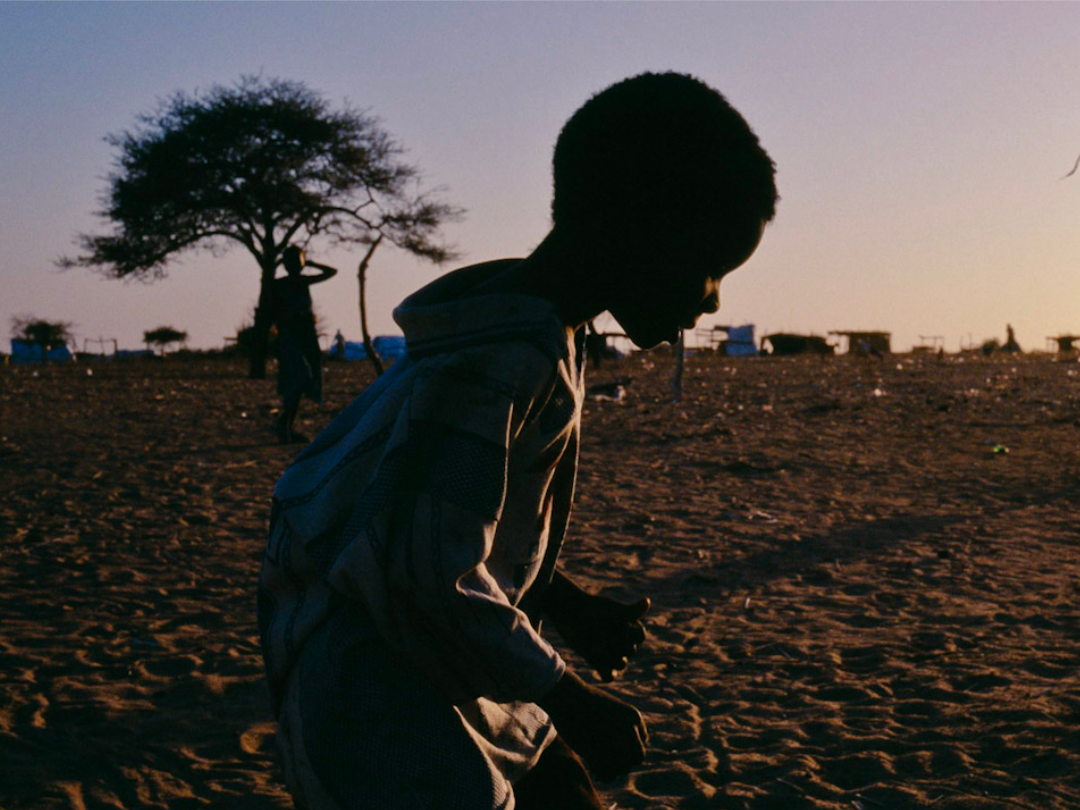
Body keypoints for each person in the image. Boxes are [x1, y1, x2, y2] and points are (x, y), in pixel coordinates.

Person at [257, 71, 778, 810]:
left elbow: (440, 520)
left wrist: (561, 603)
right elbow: (425, 574)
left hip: (432, 656)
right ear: (638, 229)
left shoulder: (523, 329)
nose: (712, 301)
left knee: (560, 787)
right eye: (710, 268)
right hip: (384, 689)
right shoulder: (502, 362)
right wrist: (568, 696)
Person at [269, 246, 338, 443]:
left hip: (305, 333)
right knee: (297, 378)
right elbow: (274, 312)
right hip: (290, 335)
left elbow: (331, 272)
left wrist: (310, 263)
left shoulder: (302, 281)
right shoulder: (279, 285)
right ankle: (284, 425)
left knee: (305, 379)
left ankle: (287, 426)